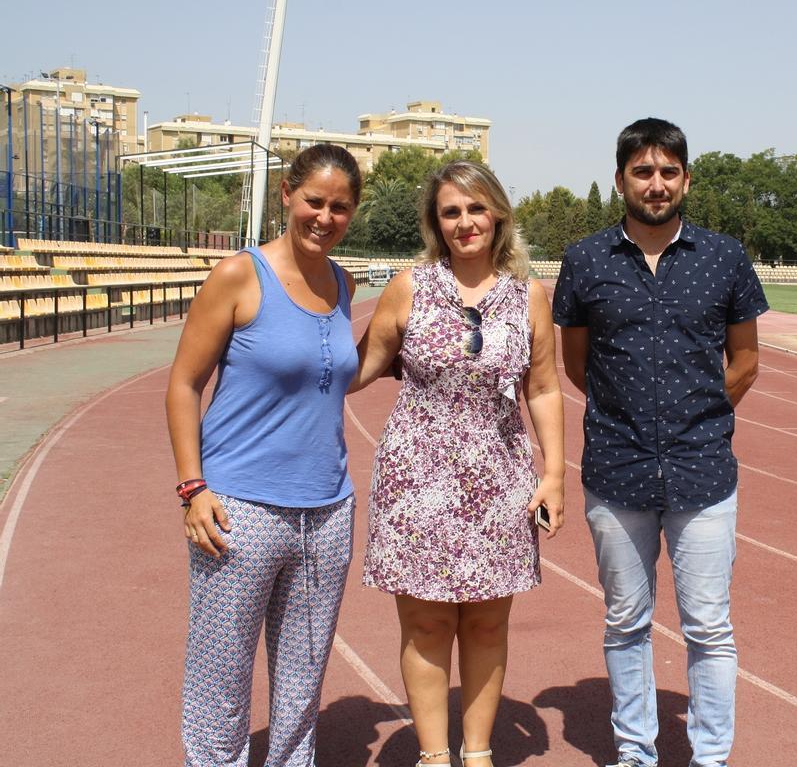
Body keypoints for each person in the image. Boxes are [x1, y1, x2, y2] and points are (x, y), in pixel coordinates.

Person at [552, 118, 769, 767]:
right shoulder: (586, 260)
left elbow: (746, 362)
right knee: (626, 622)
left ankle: (709, 757)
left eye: (668, 172)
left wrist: (694, 419)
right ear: (620, 179)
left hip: (703, 474)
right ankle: (636, 754)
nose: (656, 184)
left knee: (708, 627)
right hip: (617, 472)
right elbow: (575, 364)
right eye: (642, 172)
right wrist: (631, 419)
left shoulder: (725, 259)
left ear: (686, 180)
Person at [354, 160, 565, 767]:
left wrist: (553, 474)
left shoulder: (529, 295)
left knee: (486, 624)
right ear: (435, 222)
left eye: (476, 209)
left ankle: (477, 754)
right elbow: (357, 367)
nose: (466, 222)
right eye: (451, 211)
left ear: (497, 213)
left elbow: (544, 387)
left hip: (499, 477)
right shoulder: (410, 287)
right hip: (416, 477)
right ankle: (432, 756)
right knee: (425, 624)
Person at [165, 142, 362, 766]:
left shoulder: (343, 283)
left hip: (328, 511)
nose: (324, 217)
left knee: (303, 682)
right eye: (313, 201)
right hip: (239, 509)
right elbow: (183, 384)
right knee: (220, 677)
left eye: (340, 207)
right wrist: (193, 489)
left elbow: (331, 375)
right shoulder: (239, 276)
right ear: (286, 194)